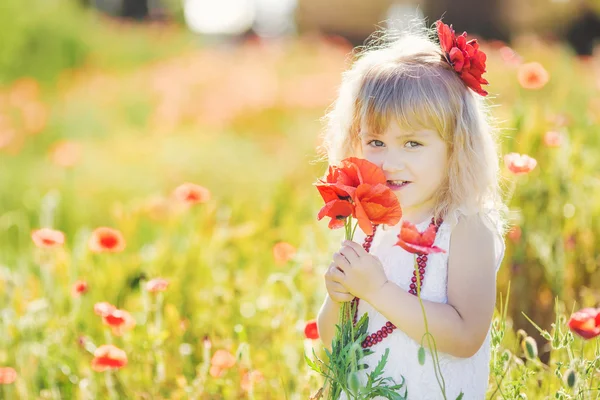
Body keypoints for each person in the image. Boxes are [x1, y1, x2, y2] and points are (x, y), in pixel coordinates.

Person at [315, 18, 507, 400]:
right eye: (375, 141)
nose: (389, 163)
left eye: (413, 144)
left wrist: (378, 289)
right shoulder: (371, 227)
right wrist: (337, 297)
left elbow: (466, 335)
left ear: (456, 147)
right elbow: (330, 337)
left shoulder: (465, 227)